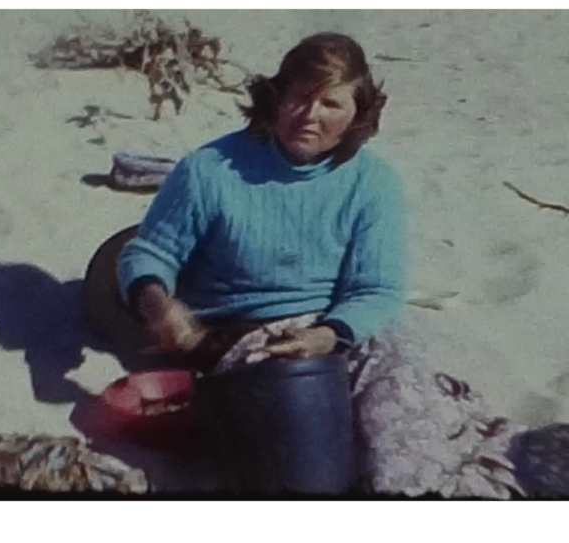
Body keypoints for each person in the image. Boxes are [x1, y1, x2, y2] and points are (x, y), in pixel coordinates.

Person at [116, 32, 528, 499]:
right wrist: (158, 305)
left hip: (335, 326)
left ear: (357, 115)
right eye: (301, 97)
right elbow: (148, 253)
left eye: (331, 104)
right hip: (245, 328)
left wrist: (330, 334)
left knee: (402, 384)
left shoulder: (373, 183)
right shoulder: (210, 170)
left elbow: (377, 290)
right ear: (277, 97)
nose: (311, 115)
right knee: (308, 460)